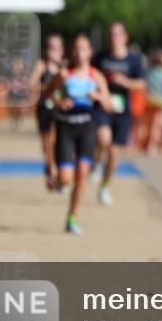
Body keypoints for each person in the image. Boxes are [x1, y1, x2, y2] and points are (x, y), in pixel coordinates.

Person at [46, 34, 112, 234]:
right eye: (76, 48)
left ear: (90, 52)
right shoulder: (64, 74)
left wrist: (98, 96)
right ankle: (57, 179)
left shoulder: (96, 76)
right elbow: (48, 93)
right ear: (72, 51)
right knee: (66, 179)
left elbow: (109, 106)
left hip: (87, 127)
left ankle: (72, 217)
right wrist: (59, 101)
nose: (79, 52)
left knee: (82, 174)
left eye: (83, 48)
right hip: (66, 127)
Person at [91, 22, 146, 205]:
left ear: (125, 37)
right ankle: (96, 164)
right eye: (111, 34)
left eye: (117, 34)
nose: (114, 38)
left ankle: (104, 187)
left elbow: (142, 83)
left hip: (122, 110)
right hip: (102, 106)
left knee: (114, 153)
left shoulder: (134, 60)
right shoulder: (100, 57)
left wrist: (126, 82)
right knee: (103, 139)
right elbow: (90, 75)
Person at [29, 34, 65, 191]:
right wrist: (46, 87)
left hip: (60, 108)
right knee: (46, 144)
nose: (53, 50)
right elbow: (31, 84)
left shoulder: (65, 66)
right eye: (50, 47)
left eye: (56, 47)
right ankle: (49, 168)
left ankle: (56, 172)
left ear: (62, 50)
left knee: (57, 141)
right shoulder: (41, 65)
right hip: (44, 107)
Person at [145, 49, 162, 155]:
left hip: (149, 99)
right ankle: (153, 146)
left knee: (151, 124)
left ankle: (152, 145)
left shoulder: (149, 71)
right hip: (160, 100)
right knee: (157, 125)